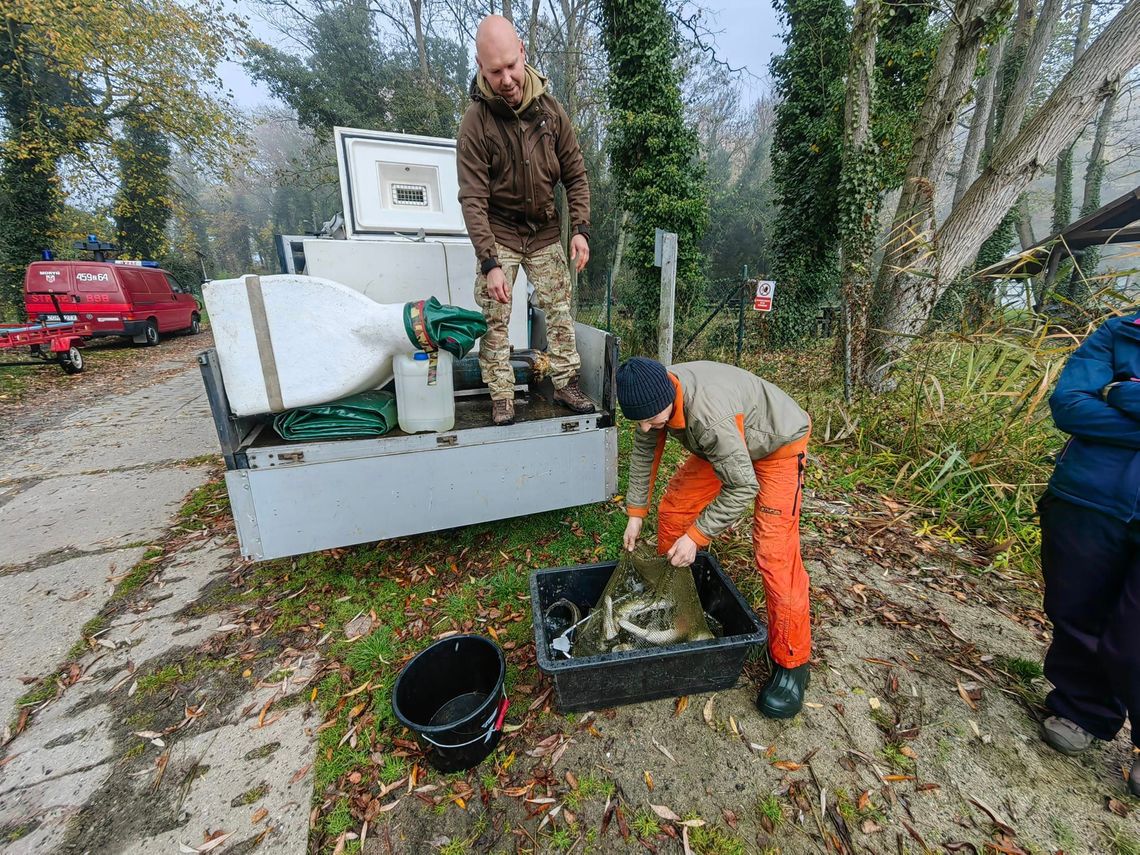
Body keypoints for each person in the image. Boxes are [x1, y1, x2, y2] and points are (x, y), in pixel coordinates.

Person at [616, 356, 813, 718]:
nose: (645, 428)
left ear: (669, 398)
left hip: (776, 446)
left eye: (650, 420)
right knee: (675, 511)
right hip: (726, 446)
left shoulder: (708, 417)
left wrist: (698, 535)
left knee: (775, 553)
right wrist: (635, 514)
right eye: (638, 421)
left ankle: (792, 663)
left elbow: (741, 487)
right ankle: (676, 598)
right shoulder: (652, 398)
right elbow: (645, 453)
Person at [457, 14, 595, 426]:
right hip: (498, 233)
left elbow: (575, 174)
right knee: (494, 317)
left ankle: (566, 382)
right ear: (482, 68)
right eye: (494, 71)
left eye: (511, 66)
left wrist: (581, 230)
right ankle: (501, 394)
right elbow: (472, 199)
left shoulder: (553, 114)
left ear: (523, 53)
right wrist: (490, 263)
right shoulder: (475, 124)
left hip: (545, 233)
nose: (506, 78)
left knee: (559, 310)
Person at [1039, 313, 1140, 795]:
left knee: (1135, 633)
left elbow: (1096, 404)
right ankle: (1081, 708)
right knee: (1076, 607)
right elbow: (1069, 406)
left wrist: (1123, 394)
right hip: (1089, 498)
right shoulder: (1123, 332)